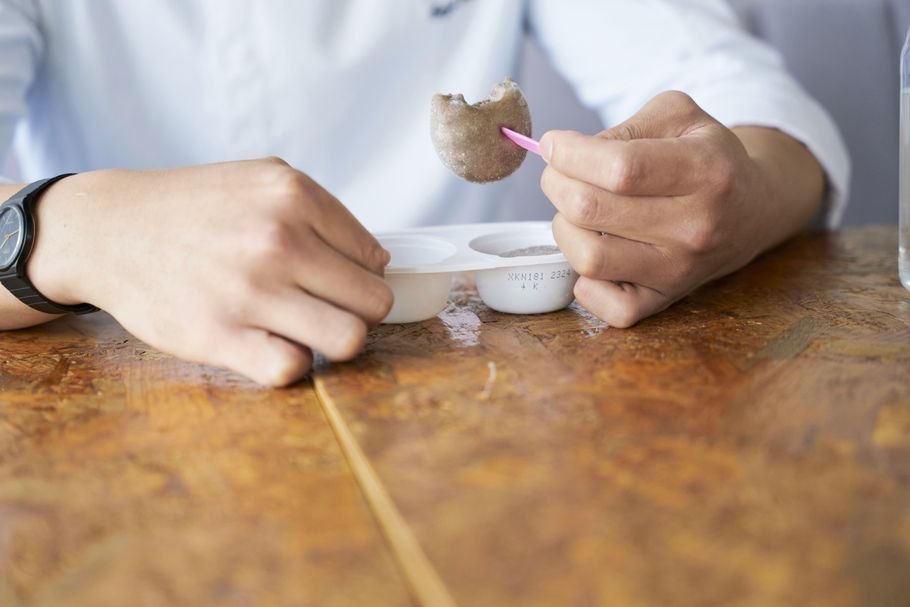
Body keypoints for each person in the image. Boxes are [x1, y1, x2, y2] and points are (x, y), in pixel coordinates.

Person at [0, 1, 849, 386]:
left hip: (466, 375)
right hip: (129, 388)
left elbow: (742, 99)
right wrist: (69, 228)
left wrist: (740, 194)